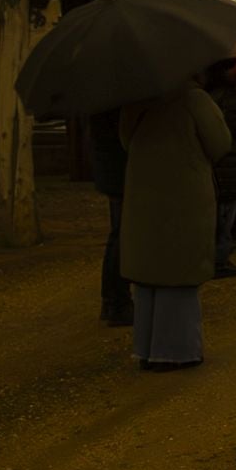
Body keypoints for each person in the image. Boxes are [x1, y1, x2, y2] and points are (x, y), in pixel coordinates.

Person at [118, 78, 231, 371]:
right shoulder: (194, 99)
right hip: (185, 194)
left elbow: (125, 141)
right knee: (180, 268)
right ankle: (176, 350)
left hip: (143, 193)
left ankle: (146, 348)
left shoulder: (136, 99)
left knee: (150, 270)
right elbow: (220, 143)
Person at [206, 59, 236, 276]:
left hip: (222, 161)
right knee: (224, 214)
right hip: (229, 160)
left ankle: (217, 257)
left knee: (222, 212)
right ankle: (219, 260)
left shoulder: (210, 94)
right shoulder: (229, 97)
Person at [89, 109, 132, 327]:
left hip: (113, 166)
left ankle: (114, 300)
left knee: (120, 234)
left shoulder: (101, 100)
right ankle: (116, 301)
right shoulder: (112, 104)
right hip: (119, 168)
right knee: (122, 235)